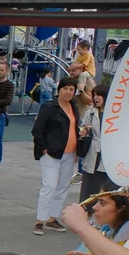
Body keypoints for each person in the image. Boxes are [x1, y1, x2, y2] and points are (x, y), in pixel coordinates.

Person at [32, 76, 81, 236]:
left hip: (69, 153)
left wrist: (77, 150)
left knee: (63, 186)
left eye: (71, 89)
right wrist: (44, 149)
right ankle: (40, 220)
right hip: (52, 153)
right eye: (65, 88)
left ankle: (53, 218)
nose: (68, 92)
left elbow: (75, 128)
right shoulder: (49, 107)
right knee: (50, 185)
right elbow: (37, 130)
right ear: (59, 90)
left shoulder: (74, 107)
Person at [79, 84, 117, 202]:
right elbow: (83, 127)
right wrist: (84, 132)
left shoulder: (115, 114)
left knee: (103, 188)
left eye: (99, 95)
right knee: (88, 187)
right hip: (92, 152)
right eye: (94, 95)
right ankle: (86, 209)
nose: (96, 98)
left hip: (108, 154)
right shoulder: (90, 112)